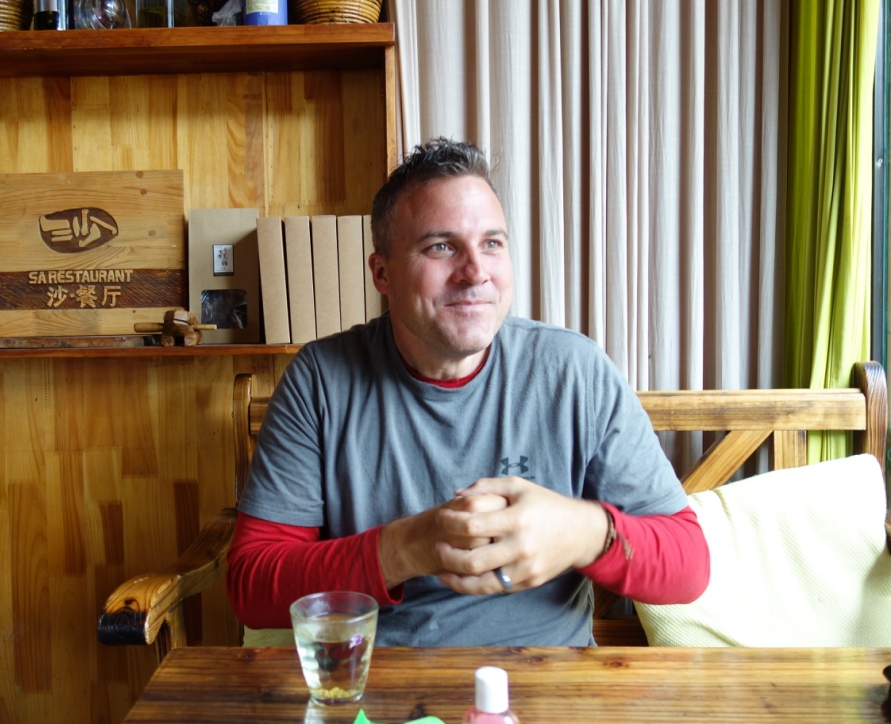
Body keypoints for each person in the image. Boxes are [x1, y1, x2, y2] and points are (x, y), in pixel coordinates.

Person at [227, 137, 710, 646]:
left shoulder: (574, 371)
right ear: (382, 273)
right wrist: (408, 546)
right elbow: (252, 586)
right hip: (381, 680)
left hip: (549, 677)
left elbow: (689, 564)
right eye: (441, 246)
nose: (476, 272)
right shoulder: (319, 381)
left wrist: (583, 533)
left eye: (492, 244)